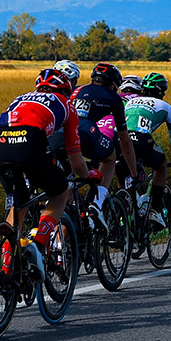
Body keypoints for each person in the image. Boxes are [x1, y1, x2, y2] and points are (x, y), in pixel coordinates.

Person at [0, 68, 102, 278]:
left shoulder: (20, 98)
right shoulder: (67, 105)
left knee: (19, 202)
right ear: (66, 90)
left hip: (0, 143)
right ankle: (38, 243)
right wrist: (88, 176)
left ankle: (6, 265)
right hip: (30, 140)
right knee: (60, 193)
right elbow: (75, 158)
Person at [71, 62, 137, 231]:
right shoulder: (113, 97)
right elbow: (125, 141)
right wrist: (133, 173)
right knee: (110, 157)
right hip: (86, 132)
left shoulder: (76, 90)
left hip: (62, 135)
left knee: (67, 182)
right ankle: (96, 205)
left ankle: (69, 220)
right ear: (113, 85)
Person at [124, 73, 171, 228]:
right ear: (162, 92)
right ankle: (156, 209)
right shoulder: (166, 107)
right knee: (161, 164)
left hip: (120, 140)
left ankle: (125, 209)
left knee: (125, 173)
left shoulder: (130, 102)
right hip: (140, 139)